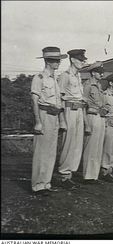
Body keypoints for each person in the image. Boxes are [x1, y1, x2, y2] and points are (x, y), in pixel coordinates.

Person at [30, 47, 68, 195]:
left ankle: (46, 183)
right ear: (47, 61)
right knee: (41, 152)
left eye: (58, 60)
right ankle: (38, 185)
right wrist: (38, 122)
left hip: (54, 116)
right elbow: (34, 101)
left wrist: (61, 120)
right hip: (44, 115)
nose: (58, 62)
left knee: (51, 152)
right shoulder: (39, 78)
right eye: (54, 60)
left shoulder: (55, 80)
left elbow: (58, 103)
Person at [57, 49, 88, 189]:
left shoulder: (78, 76)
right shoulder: (65, 76)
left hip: (79, 110)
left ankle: (70, 173)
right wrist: (61, 118)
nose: (84, 62)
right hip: (69, 109)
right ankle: (64, 175)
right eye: (81, 60)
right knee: (68, 142)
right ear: (73, 60)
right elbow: (59, 98)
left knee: (77, 143)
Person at [81, 62, 105, 184]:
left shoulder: (99, 86)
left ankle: (94, 175)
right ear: (93, 73)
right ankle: (87, 175)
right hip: (91, 116)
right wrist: (86, 124)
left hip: (100, 117)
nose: (101, 74)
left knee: (98, 147)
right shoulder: (88, 85)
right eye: (99, 72)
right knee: (90, 147)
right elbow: (83, 105)